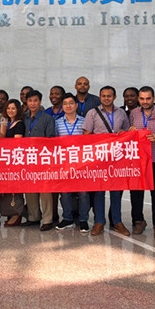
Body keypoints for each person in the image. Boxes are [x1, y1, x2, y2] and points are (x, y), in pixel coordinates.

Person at [83, 85, 130, 236]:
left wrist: (123, 134)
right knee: (99, 191)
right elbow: (86, 135)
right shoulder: (92, 113)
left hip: (116, 157)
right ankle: (99, 222)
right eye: (103, 96)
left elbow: (127, 132)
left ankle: (117, 221)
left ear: (114, 97)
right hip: (99, 157)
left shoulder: (121, 113)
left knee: (116, 191)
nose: (106, 98)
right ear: (100, 97)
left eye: (109, 96)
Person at [128, 86, 155, 239]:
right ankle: (138, 221)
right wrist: (130, 132)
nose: (145, 101)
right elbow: (127, 135)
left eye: (148, 98)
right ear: (138, 99)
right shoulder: (133, 113)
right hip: (138, 159)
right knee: (136, 192)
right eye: (142, 99)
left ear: (153, 98)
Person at [54, 92, 90, 233]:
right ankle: (67, 218)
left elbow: (89, 141)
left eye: (71, 103)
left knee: (83, 193)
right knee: (65, 192)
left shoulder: (85, 121)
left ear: (76, 105)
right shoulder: (57, 123)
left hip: (81, 162)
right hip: (64, 162)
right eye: (65, 104)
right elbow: (53, 143)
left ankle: (83, 220)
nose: (68, 106)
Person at [23, 89, 56, 231]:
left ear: (40, 101)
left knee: (44, 190)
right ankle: (33, 217)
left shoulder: (47, 118)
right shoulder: (24, 117)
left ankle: (48, 219)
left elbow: (51, 139)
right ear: (26, 102)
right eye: (30, 101)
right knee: (30, 188)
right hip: (27, 158)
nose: (32, 103)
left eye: (35, 101)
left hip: (43, 158)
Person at [2, 99, 25, 227]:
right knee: (9, 187)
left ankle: (17, 213)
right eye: (8, 108)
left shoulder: (19, 124)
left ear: (18, 110)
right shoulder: (8, 123)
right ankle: (11, 212)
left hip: (15, 159)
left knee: (16, 188)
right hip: (7, 159)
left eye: (13, 108)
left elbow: (17, 143)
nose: (10, 111)